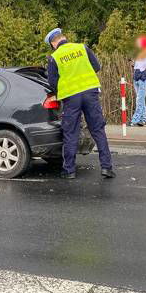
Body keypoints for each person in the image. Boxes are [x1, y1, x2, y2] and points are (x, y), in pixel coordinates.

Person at [45, 28, 115, 179]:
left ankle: (69, 171)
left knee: (71, 133)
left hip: (71, 98)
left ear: (53, 43)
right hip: (91, 93)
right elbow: (97, 67)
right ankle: (107, 168)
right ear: (64, 37)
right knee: (98, 130)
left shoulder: (54, 57)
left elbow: (52, 83)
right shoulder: (82, 47)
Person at [130, 35, 146, 126]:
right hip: (136, 78)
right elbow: (136, 66)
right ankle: (143, 120)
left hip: (143, 79)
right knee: (141, 99)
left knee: (139, 100)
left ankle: (135, 120)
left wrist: (143, 75)